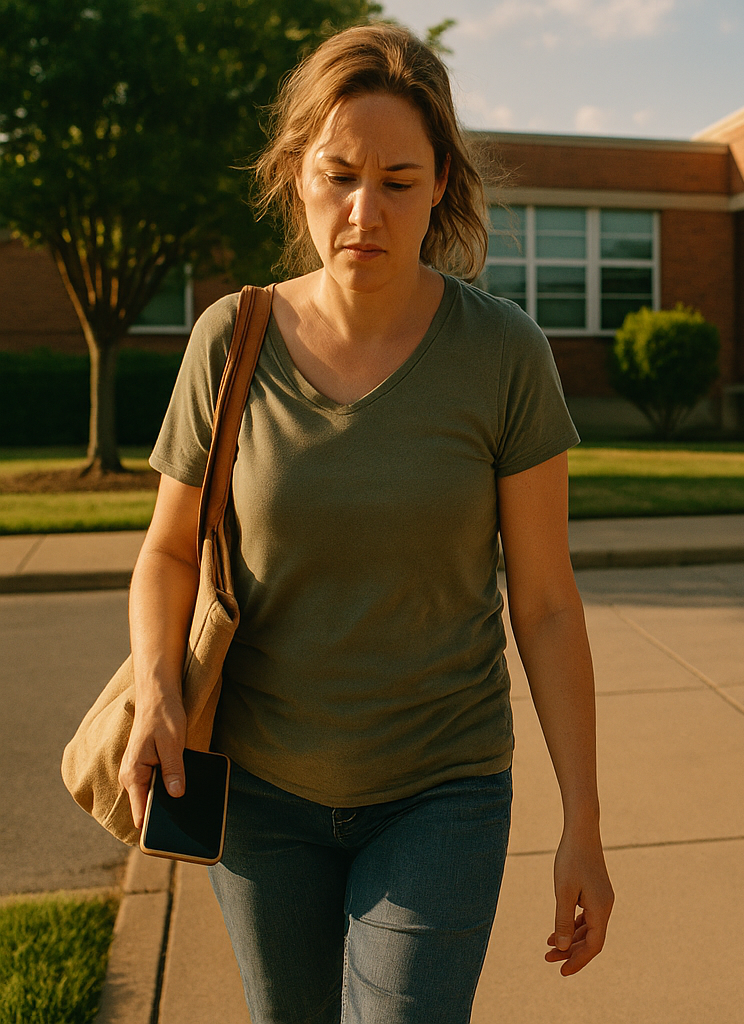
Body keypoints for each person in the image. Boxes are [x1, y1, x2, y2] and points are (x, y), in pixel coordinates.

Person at [118, 23, 612, 1023]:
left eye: (397, 180)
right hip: (258, 792)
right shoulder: (230, 340)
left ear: (441, 186)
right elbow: (168, 549)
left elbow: (549, 604)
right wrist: (159, 689)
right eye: (339, 174)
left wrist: (584, 824)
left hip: (444, 789)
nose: (364, 211)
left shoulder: (504, 354)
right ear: (297, 172)